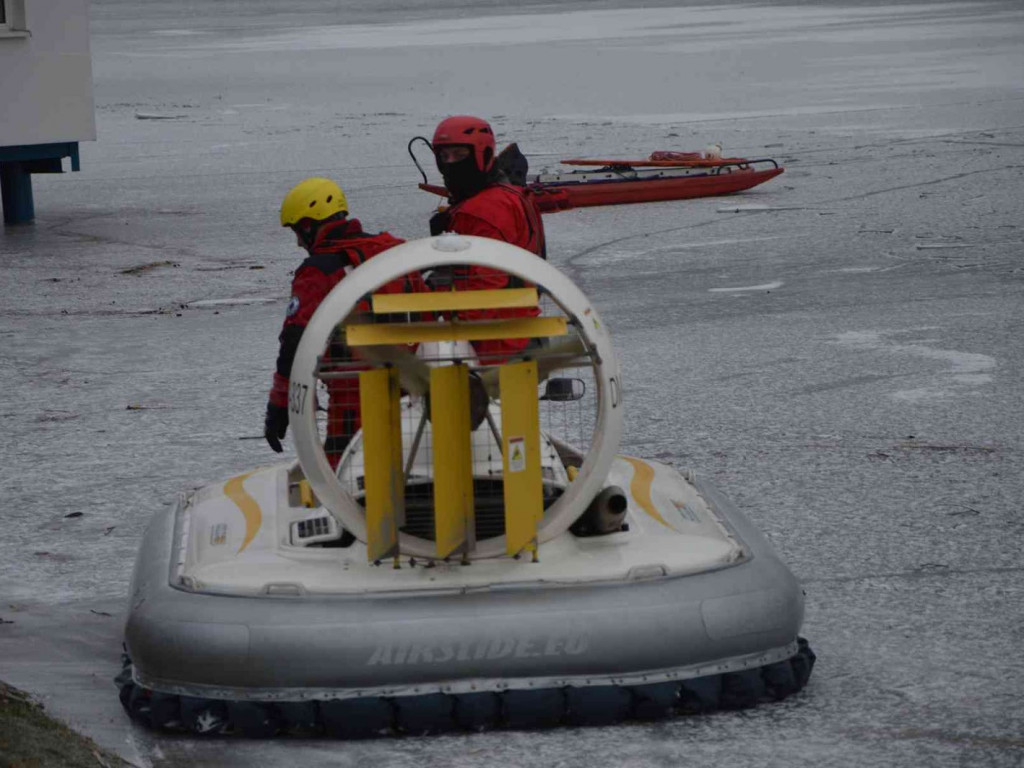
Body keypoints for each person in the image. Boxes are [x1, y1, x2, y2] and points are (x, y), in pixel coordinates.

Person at [264, 177, 419, 466]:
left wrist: (280, 403)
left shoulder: (318, 271)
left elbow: (294, 342)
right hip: (415, 390)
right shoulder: (394, 251)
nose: (298, 241)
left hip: (353, 398)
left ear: (311, 225)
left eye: (298, 231)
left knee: (346, 472)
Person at [430, 115, 547, 361]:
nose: (451, 163)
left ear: (481, 154)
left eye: (459, 155)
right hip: (522, 331)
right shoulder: (511, 195)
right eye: (444, 156)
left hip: (493, 346)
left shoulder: (483, 211)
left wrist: (444, 331)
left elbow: (486, 289)